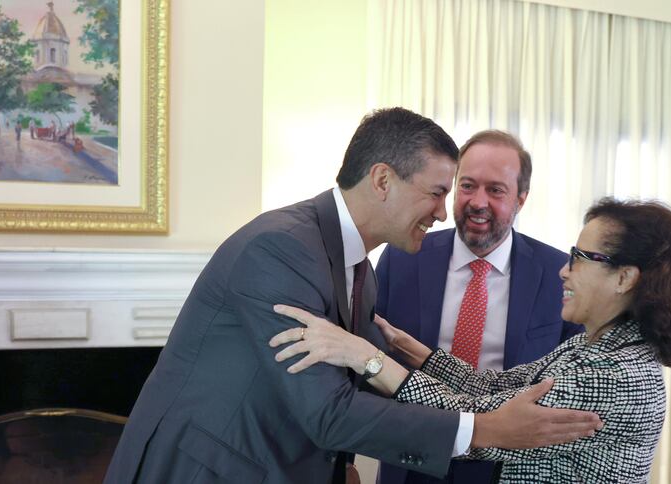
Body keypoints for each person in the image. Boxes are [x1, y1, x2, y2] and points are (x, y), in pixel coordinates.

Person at [105, 108, 601, 484]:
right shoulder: (280, 249)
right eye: (437, 192)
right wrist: (484, 429)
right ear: (383, 180)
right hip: (208, 469)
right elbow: (329, 410)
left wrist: (339, 465)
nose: (443, 212)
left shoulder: (358, 263)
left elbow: (357, 380)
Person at [271, 197, 671, 483]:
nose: (564, 270)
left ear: (625, 278)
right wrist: (411, 350)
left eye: (580, 258)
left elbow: (481, 420)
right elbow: (497, 387)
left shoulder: (610, 376)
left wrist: (368, 358)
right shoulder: (595, 346)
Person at [375, 130, 582, 484]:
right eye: (468, 186)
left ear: (521, 199)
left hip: (507, 467)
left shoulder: (559, 274)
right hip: (412, 458)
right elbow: (369, 356)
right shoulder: (402, 257)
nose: (477, 202)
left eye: (496, 190)